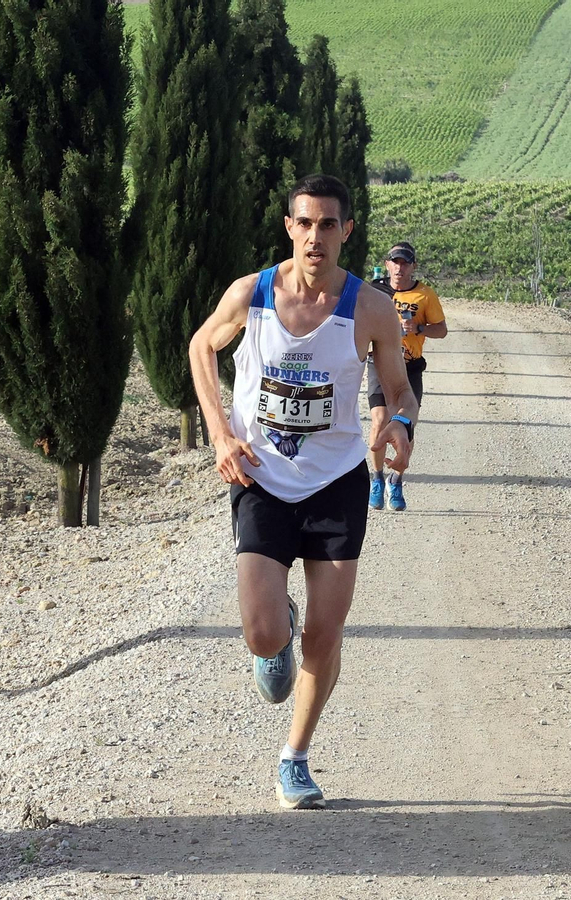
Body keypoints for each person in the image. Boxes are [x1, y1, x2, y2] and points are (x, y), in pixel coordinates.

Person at [188, 174, 419, 810]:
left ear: (347, 231)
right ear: (289, 227)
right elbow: (201, 346)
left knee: (325, 633)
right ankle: (277, 627)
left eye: (328, 225)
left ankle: (295, 757)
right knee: (264, 636)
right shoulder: (252, 294)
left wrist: (400, 425)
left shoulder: (370, 309)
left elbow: (400, 390)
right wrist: (219, 433)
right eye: (305, 223)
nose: (315, 237)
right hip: (261, 477)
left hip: (337, 481)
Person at [366, 241, 447, 511]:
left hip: (410, 367)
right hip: (379, 363)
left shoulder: (425, 295)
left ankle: (396, 480)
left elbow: (441, 330)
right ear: (387, 265)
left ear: (413, 266)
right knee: (379, 420)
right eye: (395, 262)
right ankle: (377, 478)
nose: (399, 268)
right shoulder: (374, 290)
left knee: (405, 426)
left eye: (405, 263)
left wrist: (419, 328)